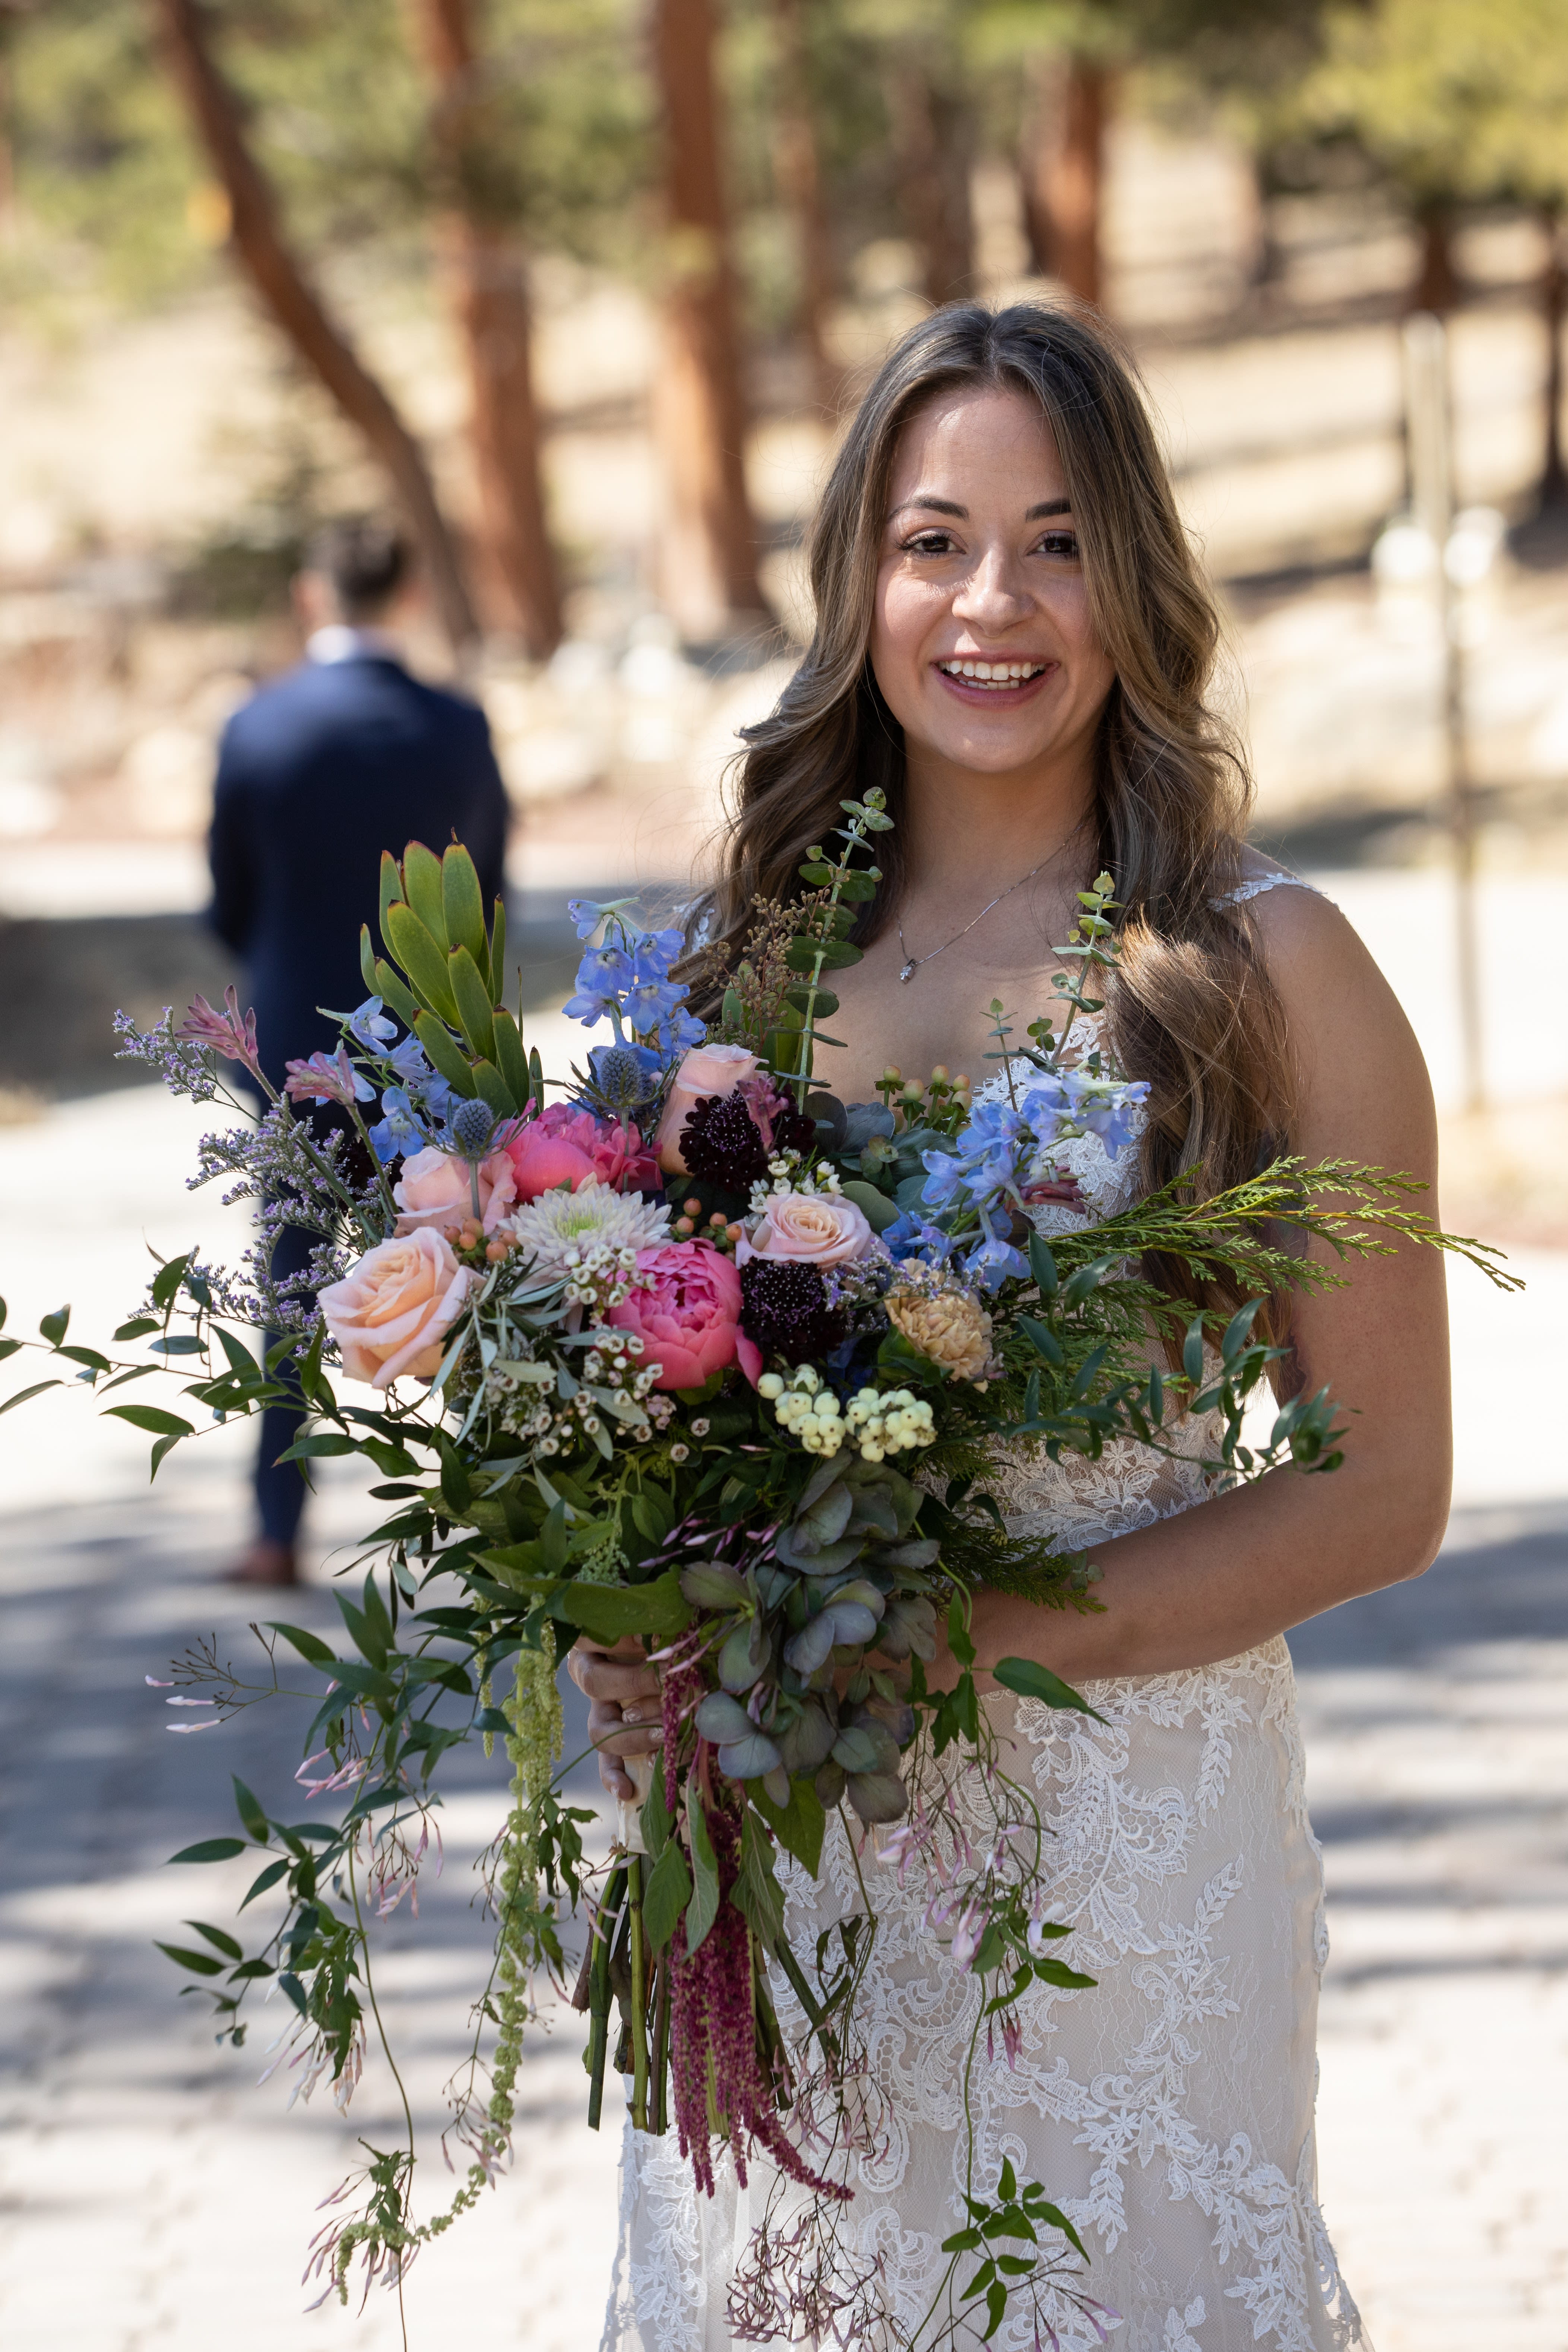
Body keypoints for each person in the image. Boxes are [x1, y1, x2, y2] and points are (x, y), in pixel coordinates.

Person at [571, 302, 1447, 2349]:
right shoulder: (734, 974)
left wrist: (956, 1639)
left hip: (1128, 1840)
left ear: (1137, 576)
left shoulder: (1269, 968)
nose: (994, 601)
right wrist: (627, 1635)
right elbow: (649, 1411)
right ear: (857, 580)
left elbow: (1383, 1491)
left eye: (1059, 541)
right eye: (934, 539)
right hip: (785, 1836)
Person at [208, 516, 509, 1587]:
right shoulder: (456, 725)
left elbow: (227, 896)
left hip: (291, 1038)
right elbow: (486, 888)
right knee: (469, 1264)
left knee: (291, 1274)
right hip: (432, 1043)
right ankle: (504, 1523)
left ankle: (274, 1527)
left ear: (310, 595)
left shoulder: (258, 724)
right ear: (409, 593)